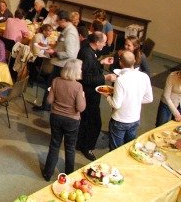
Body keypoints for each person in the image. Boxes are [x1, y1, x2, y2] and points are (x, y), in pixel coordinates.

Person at [42, 59, 86, 181]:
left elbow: (49, 101)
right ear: (76, 71)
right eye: (80, 69)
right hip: (72, 120)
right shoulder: (78, 86)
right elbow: (80, 108)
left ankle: (47, 173)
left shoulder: (56, 81)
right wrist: (83, 97)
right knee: (70, 147)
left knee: (54, 145)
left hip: (55, 117)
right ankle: (69, 174)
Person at [76, 32, 116, 161]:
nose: (105, 44)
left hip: (90, 93)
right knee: (94, 123)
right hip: (89, 93)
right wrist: (106, 77)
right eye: (104, 42)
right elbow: (86, 78)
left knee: (85, 120)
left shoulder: (89, 50)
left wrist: (101, 61)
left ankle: (80, 143)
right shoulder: (87, 54)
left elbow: (92, 66)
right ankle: (87, 147)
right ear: (97, 42)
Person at [102, 51, 153, 150]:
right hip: (135, 119)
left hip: (119, 119)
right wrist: (135, 100)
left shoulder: (120, 79)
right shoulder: (144, 76)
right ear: (134, 61)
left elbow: (116, 104)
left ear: (120, 63)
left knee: (115, 150)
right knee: (129, 148)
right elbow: (149, 98)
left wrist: (107, 95)